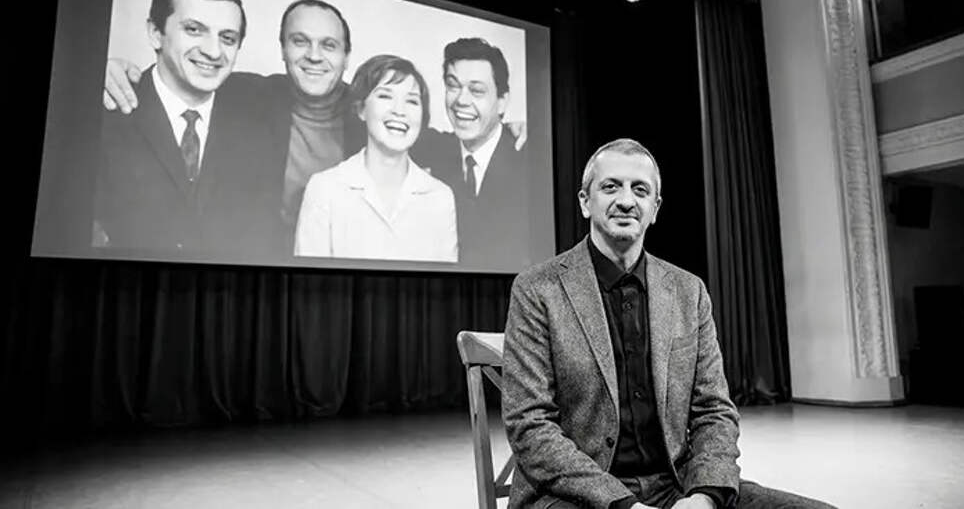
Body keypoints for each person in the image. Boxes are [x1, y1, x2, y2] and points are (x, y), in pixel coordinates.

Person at [501, 139, 836, 508]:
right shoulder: (537, 289)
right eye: (611, 186)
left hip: (677, 485)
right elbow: (530, 425)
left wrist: (705, 495)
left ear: (655, 208)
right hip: (573, 496)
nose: (626, 200)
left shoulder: (688, 291)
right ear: (585, 201)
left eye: (640, 189)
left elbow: (714, 410)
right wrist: (623, 503)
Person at [104, 0, 361, 233]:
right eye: (300, 41)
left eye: (329, 45)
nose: (314, 56)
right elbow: (178, 77)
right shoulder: (247, 93)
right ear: (283, 50)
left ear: (346, 56)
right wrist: (109, 72)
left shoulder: (368, 115)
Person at [93, 0, 285, 258]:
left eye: (228, 38)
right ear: (155, 33)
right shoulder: (104, 107)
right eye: (194, 29)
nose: (213, 51)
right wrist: (87, 69)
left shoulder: (257, 117)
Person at [294, 55, 457, 262]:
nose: (399, 111)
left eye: (412, 101)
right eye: (385, 96)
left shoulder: (440, 197)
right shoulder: (324, 189)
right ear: (361, 109)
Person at [411, 37, 531, 268]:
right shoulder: (431, 148)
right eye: (453, 86)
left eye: (476, 90)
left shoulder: (530, 156)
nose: (461, 100)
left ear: (502, 101)